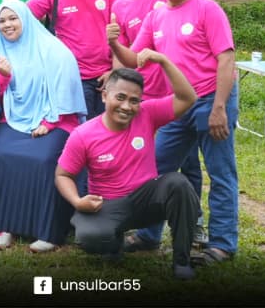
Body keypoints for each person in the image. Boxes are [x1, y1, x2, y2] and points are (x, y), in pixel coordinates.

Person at [108, 0, 239, 269]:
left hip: (211, 100)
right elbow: (133, 59)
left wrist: (220, 107)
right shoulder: (156, 16)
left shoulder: (208, 9)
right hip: (178, 105)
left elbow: (226, 59)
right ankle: (150, 235)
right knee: (156, 167)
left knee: (220, 173)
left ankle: (222, 244)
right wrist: (113, 43)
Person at [56, 59, 200, 280]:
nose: (126, 106)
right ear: (105, 96)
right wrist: (77, 201)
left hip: (146, 199)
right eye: (120, 97)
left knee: (178, 184)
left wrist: (163, 60)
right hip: (107, 204)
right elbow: (63, 175)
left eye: (134, 101)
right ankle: (113, 245)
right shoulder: (83, 134)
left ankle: (182, 261)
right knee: (89, 238)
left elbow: (188, 97)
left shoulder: (147, 114)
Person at [0, 0, 87, 252]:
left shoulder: (54, 50)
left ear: (26, 20)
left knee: (44, 159)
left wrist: (49, 122)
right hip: (14, 117)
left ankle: (48, 231)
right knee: (1, 155)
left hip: (57, 119)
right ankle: (4, 225)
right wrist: (2, 76)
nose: (7, 25)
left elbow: (66, 91)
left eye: (13, 19)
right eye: (2, 21)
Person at [10, 0, 119, 118]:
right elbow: (18, 17)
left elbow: (119, 31)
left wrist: (115, 70)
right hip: (72, 77)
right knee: (81, 131)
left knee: (109, 131)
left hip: (107, 75)